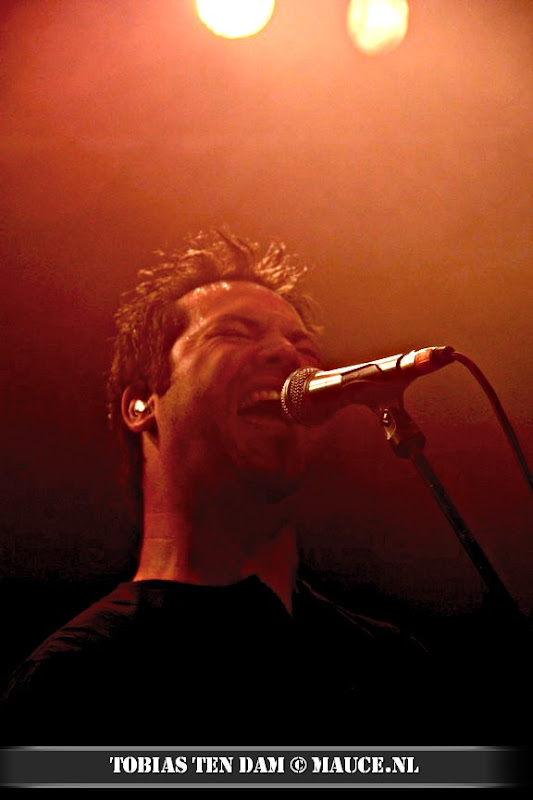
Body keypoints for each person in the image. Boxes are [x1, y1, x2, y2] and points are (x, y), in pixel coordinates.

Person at [0, 230, 504, 746]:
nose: (289, 355)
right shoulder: (74, 681)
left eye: (303, 347)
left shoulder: (398, 669)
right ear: (142, 402)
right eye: (234, 333)